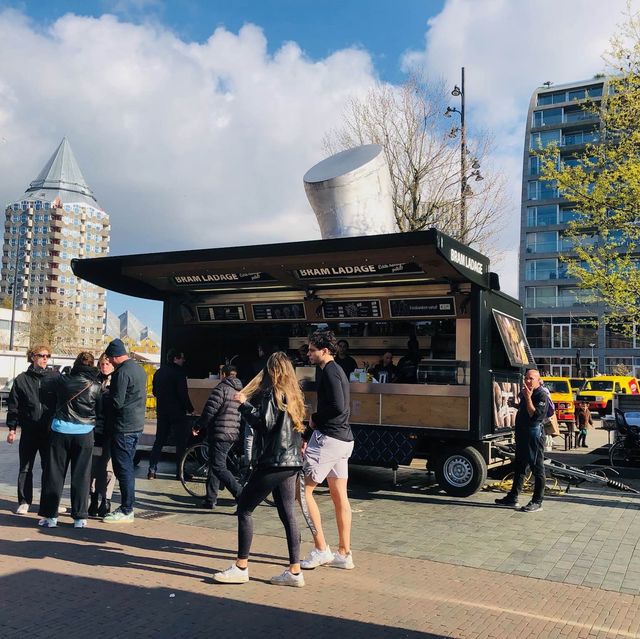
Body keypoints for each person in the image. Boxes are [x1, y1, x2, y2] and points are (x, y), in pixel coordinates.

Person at [213, 352, 306, 587]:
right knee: (288, 514)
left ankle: (241, 566)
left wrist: (244, 405)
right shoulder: (294, 394)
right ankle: (295, 571)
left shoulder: (271, 393)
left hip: (273, 461)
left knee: (244, 508)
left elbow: (263, 425)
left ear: (272, 370)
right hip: (292, 462)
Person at [300, 330, 355, 571]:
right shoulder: (338, 370)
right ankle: (344, 552)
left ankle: (321, 548)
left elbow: (337, 406)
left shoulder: (330, 372)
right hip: (344, 440)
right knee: (338, 494)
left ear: (325, 350)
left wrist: (315, 418)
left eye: (312, 350)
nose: (309, 354)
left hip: (328, 439)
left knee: (302, 490)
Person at [38, 351, 102, 529]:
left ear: (75, 363)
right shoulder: (96, 386)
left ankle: (50, 517)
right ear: (92, 365)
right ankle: (80, 518)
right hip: (84, 432)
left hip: (60, 429)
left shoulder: (62, 381)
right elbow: (100, 410)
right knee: (81, 476)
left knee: (54, 474)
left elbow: (44, 389)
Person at [6, 345, 57, 514]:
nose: (44, 358)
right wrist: (12, 428)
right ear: (32, 357)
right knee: (25, 467)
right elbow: (14, 405)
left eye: (47, 356)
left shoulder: (54, 377)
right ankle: (24, 500)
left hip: (49, 430)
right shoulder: (22, 379)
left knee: (48, 467)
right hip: (29, 429)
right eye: (41, 355)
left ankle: (48, 502)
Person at [103, 338, 147, 523]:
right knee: (127, 466)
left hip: (123, 427)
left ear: (114, 357)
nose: (110, 363)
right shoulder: (139, 369)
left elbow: (116, 402)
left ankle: (127, 509)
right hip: (136, 425)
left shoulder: (122, 373)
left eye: (110, 359)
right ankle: (127, 507)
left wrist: (103, 395)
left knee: (124, 469)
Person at [495, 368, 549, 513]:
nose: (527, 381)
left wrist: (529, 397)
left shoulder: (541, 395)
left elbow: (535, 414)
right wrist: (515, 405)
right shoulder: (526, 393)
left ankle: (537, 501)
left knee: (537, 467)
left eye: (531, 378)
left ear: (538, 380)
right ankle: (513, 497)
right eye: (526, 378)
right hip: (522, 433)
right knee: (519, 466)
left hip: (534, 434)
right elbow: (524, 408)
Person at [193, 365, 243, 509]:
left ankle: (241, 494)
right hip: (232, 432)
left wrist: (198, 426)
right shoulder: (239, 390)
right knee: (215, 464)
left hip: (220, 433)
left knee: (218, 466)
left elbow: (209, 411)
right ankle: (210, 499)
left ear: (223, 374)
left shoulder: (221, 389)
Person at [148, 348, 194, 480]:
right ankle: (180, 472)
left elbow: (155, 391)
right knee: (181, 443)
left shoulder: (159, 372)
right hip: (177, 412)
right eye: (182, 358)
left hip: (162, 411)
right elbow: (183, 394)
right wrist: (190, 409)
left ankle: (152, 470)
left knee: (159, 440)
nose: (184, 360)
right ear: (176, 358)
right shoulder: (179, 373)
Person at [89, 353, 116, 518]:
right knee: (93, 466)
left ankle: (106, 499)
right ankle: (92, 498)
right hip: (96, 431)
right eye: (101, 364)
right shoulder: (95, 381)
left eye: (107, 363)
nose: (104, 367)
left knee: (108, 468)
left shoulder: (118, 381)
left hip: (111, 431)